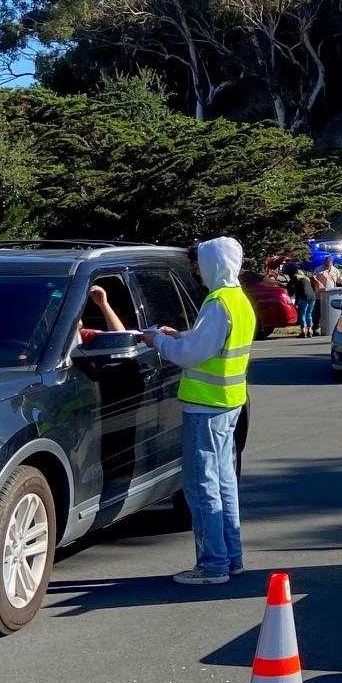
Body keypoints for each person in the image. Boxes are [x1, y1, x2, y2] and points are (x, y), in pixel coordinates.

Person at [140, 236, 256, 586]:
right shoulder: (238, 301)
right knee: (223, 484)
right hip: (228, 402)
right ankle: (230, 558)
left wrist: (158, 342)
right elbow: (208, 343)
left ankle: (212, 565)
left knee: (201, 485)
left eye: (200, 264)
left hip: (205, 407)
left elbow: (192, 356)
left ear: (213, 265)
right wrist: (180, 334)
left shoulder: (217, 302)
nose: (198, 271)